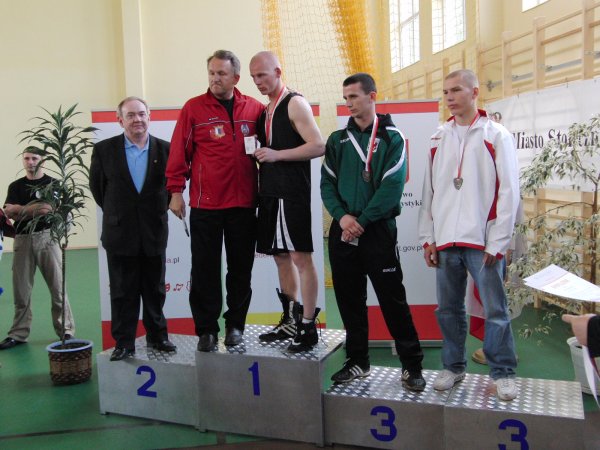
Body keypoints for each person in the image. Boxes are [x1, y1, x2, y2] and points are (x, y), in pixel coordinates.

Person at [418, 69, 520, 401]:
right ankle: (453, 367)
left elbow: (509, 191)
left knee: (495, 310)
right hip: (447, 240)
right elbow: (429, 192)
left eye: (456, 90)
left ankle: (503, 372)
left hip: (483, 241)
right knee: (448, 310)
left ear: (474, 92)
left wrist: (499, 240)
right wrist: (428, 237)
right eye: (445, 91)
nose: (449, 97)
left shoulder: (496, 135)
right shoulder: (438, 138)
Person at [321, 73, 426, 390]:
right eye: (346, 98)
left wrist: (361, 222)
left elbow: (392, 187)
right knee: (349, 302)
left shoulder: (393, 138)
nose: (349, 103)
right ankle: (358, 361)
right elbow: (327, 185)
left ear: (372, 96)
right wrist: (342, 218)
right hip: (343, 232)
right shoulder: (337, 140)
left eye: (354, 96)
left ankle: (411, 365)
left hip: (377, 231)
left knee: (393, 301)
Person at [166, 50, 264, 352]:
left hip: (243, 205)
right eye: (211, 72)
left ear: (236, 77)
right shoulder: (193, 109)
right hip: (206, 206)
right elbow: (178, 152)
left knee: (241, 270)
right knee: (204, 271)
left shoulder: (255, 109)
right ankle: (207, 330)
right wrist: (175, 191)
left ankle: (236, 325)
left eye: (221, 73)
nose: (215, 78)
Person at [249, 51, 325, 352]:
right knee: (280, 256)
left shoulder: (294, 103)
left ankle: (308, 325)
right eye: (254, 77)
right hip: (269, 192)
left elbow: (318, 145)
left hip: (292, 193)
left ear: (278, 72)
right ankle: (290, 320)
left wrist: (277, 154)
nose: (258, 82)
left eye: (262, 75)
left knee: (300, 259)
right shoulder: (266, 109)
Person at [90, 96, 176, 361]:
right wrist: (121, 212)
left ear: (149, 117)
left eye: (141, 114)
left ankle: (158, 336)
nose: (137, 119)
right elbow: (99, 190)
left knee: (155, 290)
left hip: (153, 231)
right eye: (130, 115)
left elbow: (171, 188)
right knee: (122, 291)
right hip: (120, 233)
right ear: (120, 121)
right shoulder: (104, 150)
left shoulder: (166, 150)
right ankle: (124, 342)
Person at [0, 152, 75, 350]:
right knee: (21, 291)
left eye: (34, 158)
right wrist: (34, 209)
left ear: (43, 160)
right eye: (26, 158)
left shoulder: (53, 184)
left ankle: (65, 330)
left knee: (58, 287)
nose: (30, 162)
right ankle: (18, 334)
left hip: (47, 238)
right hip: (22, 239)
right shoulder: (15, 186)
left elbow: (47, 210)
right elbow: (8, 212)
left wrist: (20, 209)